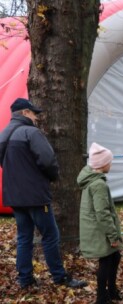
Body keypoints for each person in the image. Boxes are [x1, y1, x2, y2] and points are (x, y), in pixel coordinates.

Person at [0, 98, 87, 289]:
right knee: (50, 236)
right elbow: (48, 161)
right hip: (36, 196)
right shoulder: (31, 132)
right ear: (24, 113)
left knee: (24, 237)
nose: (36, 118)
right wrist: (53, 176)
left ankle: (25, 279)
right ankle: (59, 277)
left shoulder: (3, 134)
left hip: (14, 196)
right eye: (33, 113)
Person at [78, 142, 123, 303]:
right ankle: (101, 296)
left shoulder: (92, 180)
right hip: (100, 231)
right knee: (106, 261)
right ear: (103, 164)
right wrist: (112, 236)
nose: (111, 164)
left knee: (114, 257)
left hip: (98, 229)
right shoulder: (98, 184)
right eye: (109, 162)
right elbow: (102, 213)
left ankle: (111, 290)